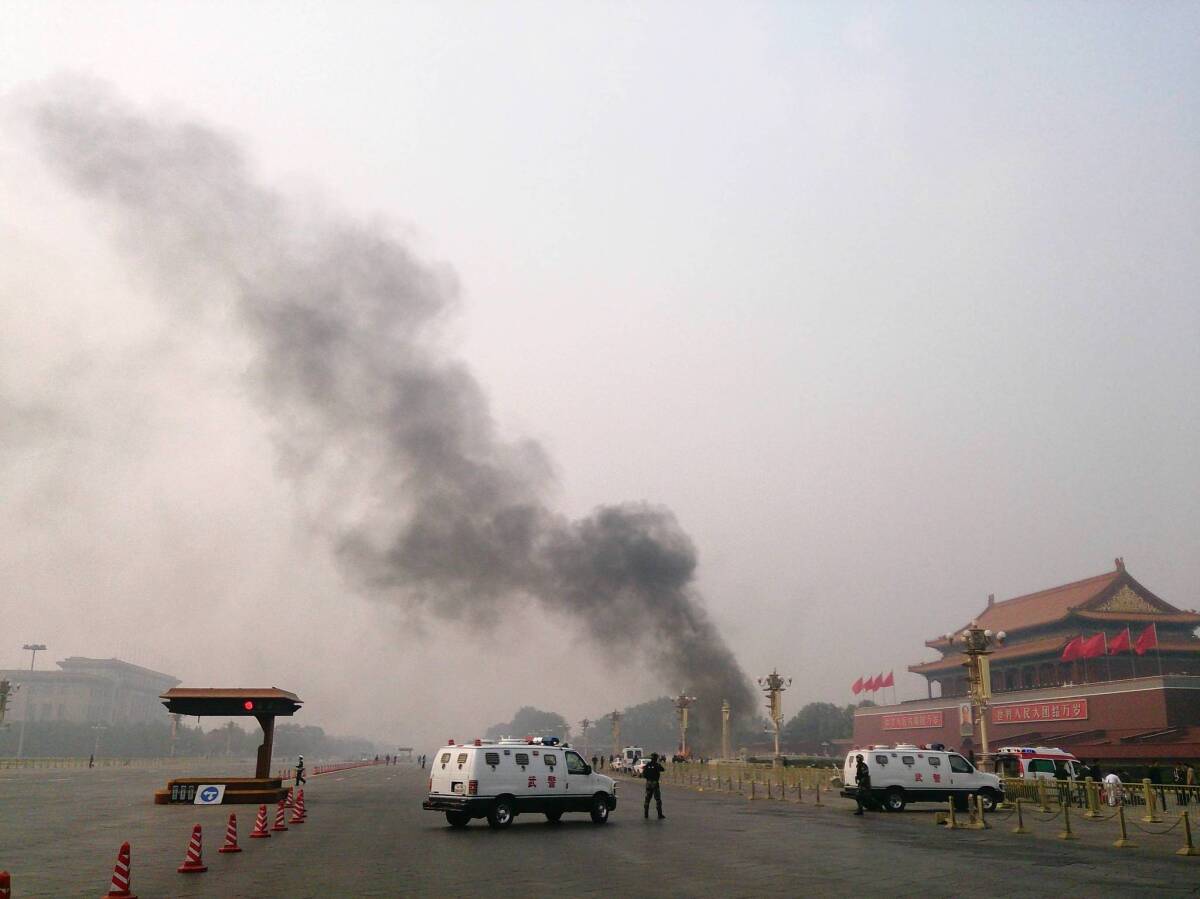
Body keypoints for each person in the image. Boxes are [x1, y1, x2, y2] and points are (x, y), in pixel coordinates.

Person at [642, 752, 665, 819]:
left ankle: (646, 814)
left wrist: (648, 778)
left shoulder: (647, 765)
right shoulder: (657, 765)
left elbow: (644, 774)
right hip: (655, 783)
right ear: (656, 758)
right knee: (658, 800)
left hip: (648, 783)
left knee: (647, 799)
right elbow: (662, 769)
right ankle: (659, 814)